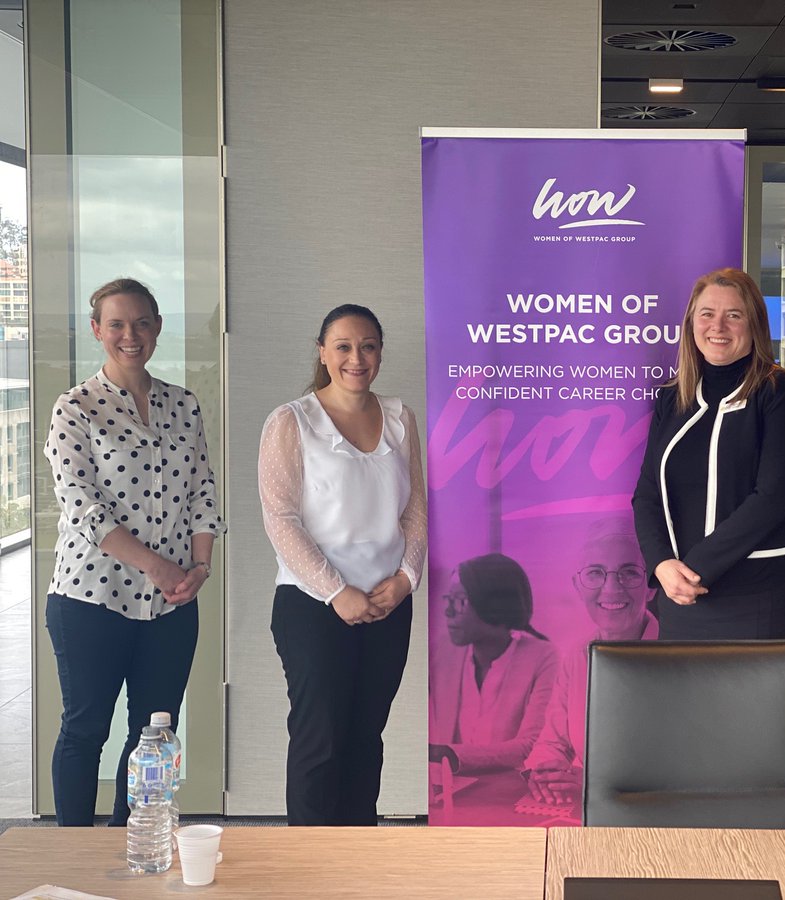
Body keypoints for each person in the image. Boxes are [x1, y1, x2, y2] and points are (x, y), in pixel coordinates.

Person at [43, 278, 225, 827]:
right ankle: (73, 856)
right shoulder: (74, 408)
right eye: (117, 324)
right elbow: (83, 509)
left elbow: (202, 489)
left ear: (158, 328)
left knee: (155, 734)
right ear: (97, 331)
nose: (131, 335)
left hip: (172, 604)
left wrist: (199, 566)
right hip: (89, 600)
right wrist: (161, 566)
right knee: (86, 729)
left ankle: (137, 841)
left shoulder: (183, 404)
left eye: (142, 322)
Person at [258, 303, 427, 826]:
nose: (357, 358)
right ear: (323, 353)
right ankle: (309, 871)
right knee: (320, 740)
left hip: (388, 604)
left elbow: (416, 508)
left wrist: (405, 580)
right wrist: (337, 592)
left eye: (368, 346)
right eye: (344, 346)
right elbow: (280, 519)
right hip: (313, 606)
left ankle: (357, 860)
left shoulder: (400, 417)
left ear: (380, 353)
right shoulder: (291, 421)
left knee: (365, 738)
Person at [632, 267, 785, 639]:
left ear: (754, 325)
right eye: (707, 314)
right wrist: (662, 565)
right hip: (681, 595)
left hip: (759, 592)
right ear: (691, 323)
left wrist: (693, 569)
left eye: (734, 315)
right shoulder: (672, 396)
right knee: (686, 698)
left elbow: (772, 497)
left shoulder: (781, 390)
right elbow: (647, 494)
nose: (718, 326)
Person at [524, 517, 658, 808]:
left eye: (629, 573)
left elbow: (682, 761)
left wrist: (592, 784)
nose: (611, 589)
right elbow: (552, 742)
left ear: (651, 586)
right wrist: (545, 774)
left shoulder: (680, 655)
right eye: (596, 573)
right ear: (577, 585)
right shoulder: (576, 656)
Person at [428, 553, 558, 774]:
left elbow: (529, 745)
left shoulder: (542, 656)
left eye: (459, 601)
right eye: (448, 600)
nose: (448, 611)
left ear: (495, 604)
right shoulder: (442, 651)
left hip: (508, 795)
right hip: (450, 792)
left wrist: (445, 753)